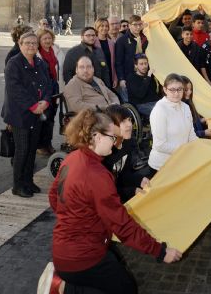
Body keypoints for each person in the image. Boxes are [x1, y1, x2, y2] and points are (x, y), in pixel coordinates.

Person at [49, 109, 182, 293]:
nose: (114, 142)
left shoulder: (72, 159)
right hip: (82, 257)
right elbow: (122, 225)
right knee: (126, 289)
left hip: (64, 248)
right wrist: (160, 251)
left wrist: (79, 218)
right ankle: (63, 288)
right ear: (96, 136)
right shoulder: (97, 174)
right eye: (112, 137)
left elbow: (54, 197)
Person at [2, 31, 52, 197]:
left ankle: (28, 181)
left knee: (32, 150)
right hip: (20, 115)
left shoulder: (39, 62)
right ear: (20, 45)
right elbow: (15, 89)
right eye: (27, 43)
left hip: (37, 112)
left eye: (33, 43)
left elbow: (48, 84)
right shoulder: (13, 63)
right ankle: (18, 185)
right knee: (22, 150)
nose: (31, 46)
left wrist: (45, 101)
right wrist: (32, 105)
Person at [148, 73, 197, 174]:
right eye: (172, 89)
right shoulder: (159, 110)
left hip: (180, 162)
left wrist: (201, 147)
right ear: (165, 90)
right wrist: (185, 149)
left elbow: (191, 135)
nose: (176, 93)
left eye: (180, 89)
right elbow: (159, 145)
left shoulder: (185, 107)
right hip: (162, 166)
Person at [104, 104, 152, 202]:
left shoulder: (128, 143)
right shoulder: (105, 151)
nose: (129, 124)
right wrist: (131, 191)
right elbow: (104, 191)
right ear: (110, 125)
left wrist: (140, 180)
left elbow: (124, 175)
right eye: (123, 121)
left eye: (129, 120)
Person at [36, 28, 64, 156]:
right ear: (39, 40)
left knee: (52, 116)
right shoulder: (36, 53)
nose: (47, 40)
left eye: (49, 38)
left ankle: (48, 142)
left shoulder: (56, 50)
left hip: (56, 86)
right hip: (43, 89)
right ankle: (41, 145)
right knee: (44, 117)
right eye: (44, 39)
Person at [115, 15, 148, 102]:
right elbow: (118, 62)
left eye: (140, 24)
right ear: (129, 26)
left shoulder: (145, 39)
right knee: (129, 102)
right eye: (135, 25)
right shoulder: (122, 40)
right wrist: (121, 78)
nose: (138, 27)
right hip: (128, 76)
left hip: (142, 75)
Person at [94, 17, 117, 88]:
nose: (105, 28)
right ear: (97, 27)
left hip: (109, 76)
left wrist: (115, 79)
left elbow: (115, 62)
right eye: (102, 26)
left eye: (106, 26)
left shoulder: (112, 43)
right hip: (96, 77)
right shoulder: (93, 42)